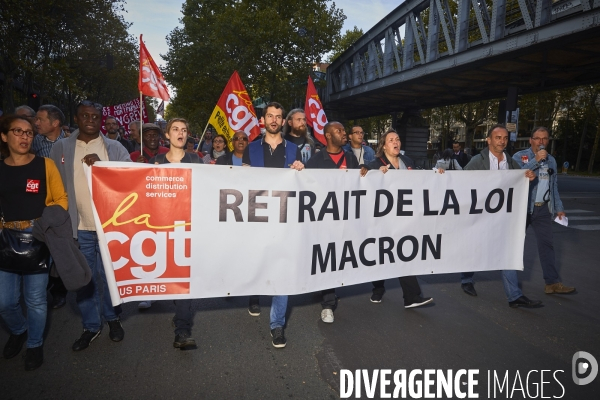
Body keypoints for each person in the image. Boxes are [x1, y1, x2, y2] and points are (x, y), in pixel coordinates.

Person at [49, 100, 130, 351]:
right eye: (86, 115)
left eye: (96, 117)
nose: (91, 120)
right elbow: (54, 187)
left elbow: (130, 180)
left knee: (110, 278)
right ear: (77, 117)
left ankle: (113, 318)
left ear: (102, 119)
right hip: (78, 228)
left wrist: (107, 168)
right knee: (84, 280)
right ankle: (91, 326)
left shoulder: (114, 148)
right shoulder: (61, 148)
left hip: (109, 228)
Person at [0, 115, 68, 370]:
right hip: (5, 240)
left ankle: (35, 344)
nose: (24, 136)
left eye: (29, 132)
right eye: (17, 131)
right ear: (4, 136)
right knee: (5, 302)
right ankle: (19, 330)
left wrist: (43, 224)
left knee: (36, 299)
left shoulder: (45, 165)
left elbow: (61, 199)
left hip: (38, 239)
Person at [242, 102, 304, 348]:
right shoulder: (251, 148)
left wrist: (301, 169)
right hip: (257, 217)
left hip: (284, 217)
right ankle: (254, 292)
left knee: (282, 269)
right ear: (263, 119)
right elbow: (242, 183)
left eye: (279, 116)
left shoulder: (293, 149)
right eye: (270, 116)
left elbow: (301, 183)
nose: (275, 120)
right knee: (257, 261)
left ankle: (277, 324)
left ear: (282, 121)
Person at [460, 124, 542, 308]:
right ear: (488, 140)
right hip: (481, 215)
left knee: (507, 252)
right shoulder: (477, 161)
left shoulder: (511, 162)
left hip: (504, 217)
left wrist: (526, 177)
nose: (502, 141)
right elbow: (462, 182)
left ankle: (514, 295)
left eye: (505, 138)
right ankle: (466, 279)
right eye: (498, 137)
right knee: (476, 248)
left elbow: (519, 180)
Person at [359, 130, 434, 308]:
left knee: (404, 253)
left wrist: (436, 175)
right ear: (384, 145)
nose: (396, 142)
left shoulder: (408, 162)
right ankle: (378, 288)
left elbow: (420, 182)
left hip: (403, 219)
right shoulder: (374, 163)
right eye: (391, 140)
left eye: (398, 139)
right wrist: (375, 174)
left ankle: (412, 296)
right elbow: (363, 180)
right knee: (380, 254)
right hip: (382, 220)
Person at [147, 118, 202, 349]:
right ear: (167, 135)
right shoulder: (156, 162)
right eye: (175, 130)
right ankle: (181, 314)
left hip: (189, 228)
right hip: (163, 228)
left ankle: (182, 329)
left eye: (184, 129)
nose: (181, 133)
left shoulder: (196, 160)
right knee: (172, 278)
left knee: (184, 281)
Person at [306, 121, 360, 323]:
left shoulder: (350, 158)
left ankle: (325, 289)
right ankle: (328, 304)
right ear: (328, 135)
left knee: (338, 257)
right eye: (339, 130)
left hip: (345, 219)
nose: (344, 133)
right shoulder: (316, 160)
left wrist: (370, 172)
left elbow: (360, 184)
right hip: (323, 219)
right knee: (326, 257)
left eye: (343, 130)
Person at [513, 127, 575, 295]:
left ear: (548, 141)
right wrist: (535, 160)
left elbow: (553, 186)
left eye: (545, 139)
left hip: (543, 209)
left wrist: (559, 208)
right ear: (531, 140)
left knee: (547, 245)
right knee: (514, 245)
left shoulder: (552, 161)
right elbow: (517, 175)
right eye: (537, 138)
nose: (541, 142)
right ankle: (510, 285)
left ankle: (552, 283)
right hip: (522, 209)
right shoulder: (520, 156)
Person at [32, 105, 69, 309]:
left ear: (54, 123)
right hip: (40, 202)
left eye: (40, 119)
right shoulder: (34, 142)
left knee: (60, 249)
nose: (36, 123)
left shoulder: (71, 142)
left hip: (63, 204)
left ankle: (59, 290)